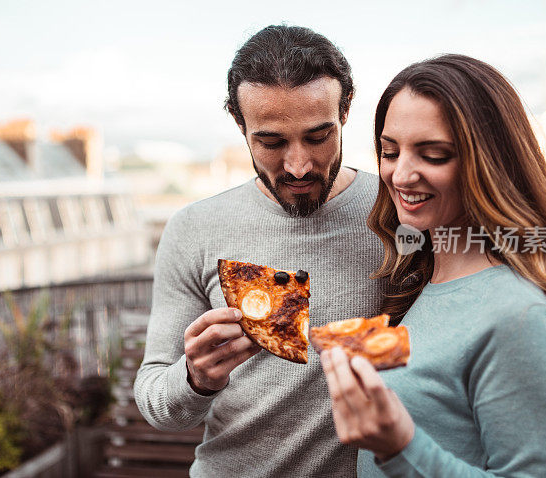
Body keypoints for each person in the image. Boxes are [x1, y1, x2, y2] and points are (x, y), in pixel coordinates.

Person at [319, 54, 546, 477]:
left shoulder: (520, 318)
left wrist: (400, 446)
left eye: (433, 154)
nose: (400, 174)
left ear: (489, 163)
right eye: (389, 151)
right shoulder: (422, 283)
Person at [134, 25, 387, 476]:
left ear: (345, 111)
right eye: (271, 142)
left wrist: (334, 338)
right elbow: (155, 400)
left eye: (317, 136)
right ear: (240, 125)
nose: (298, 166)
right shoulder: (195, 228)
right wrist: (196, 379)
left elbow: (443, 349)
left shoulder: (398, 213)